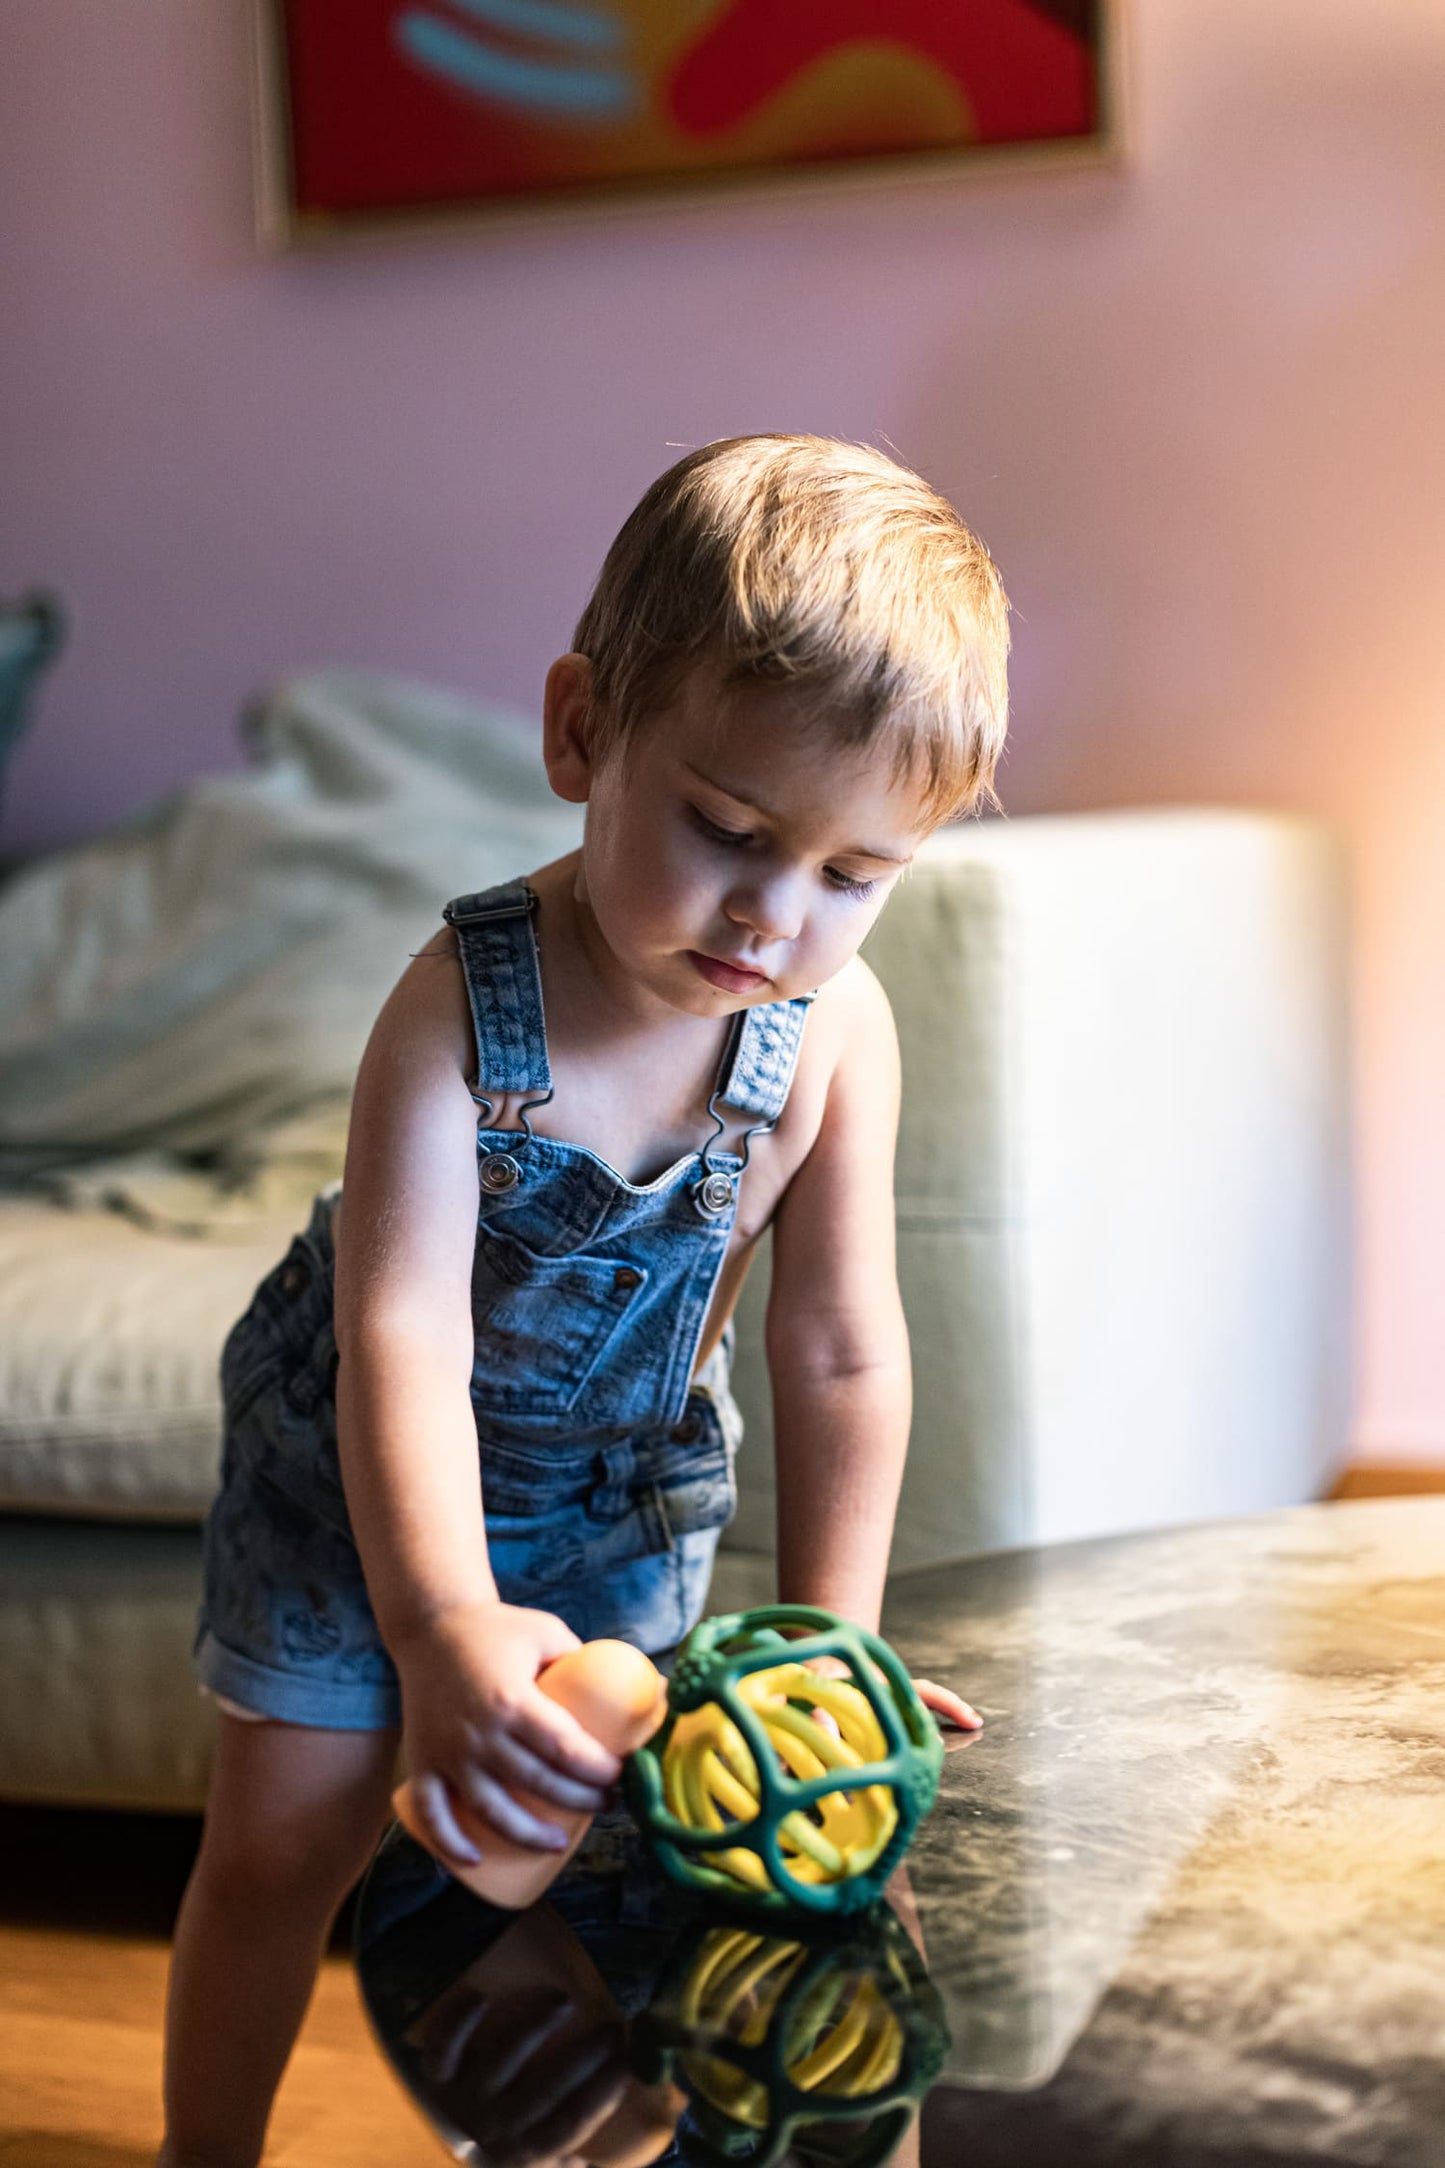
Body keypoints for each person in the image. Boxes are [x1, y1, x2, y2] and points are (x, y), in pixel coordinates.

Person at [157, 434, 1010, 2168]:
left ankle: (538, 2131)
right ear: (579, 735)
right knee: (283, 1846)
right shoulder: (456, 1015)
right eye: (728, 831)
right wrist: (438, 1626)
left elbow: (837, 1340)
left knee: (612, 1864)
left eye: (854, 877)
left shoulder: (833, 1038)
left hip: (624, 1490)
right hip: (362, 1489)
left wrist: (832, 1644)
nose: (776, 918)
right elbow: (401, 1336)